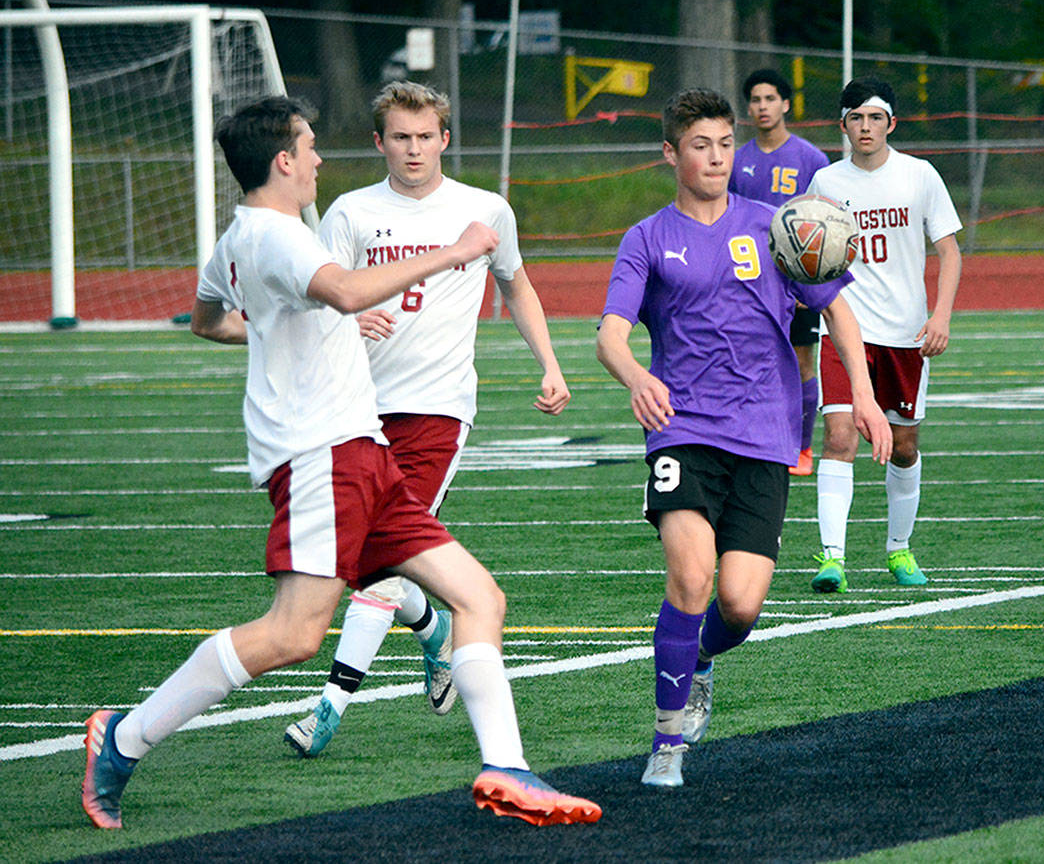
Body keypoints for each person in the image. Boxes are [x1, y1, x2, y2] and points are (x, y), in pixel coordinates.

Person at [80, 96, 600, 829]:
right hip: (322, 453)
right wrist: (453, 252)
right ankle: (124, 738)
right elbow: (347, 290)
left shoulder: (247, 237)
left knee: (479, 599)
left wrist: (281, 321)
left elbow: (205, 319)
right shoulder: (281, 239)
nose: (321, 159)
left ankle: (506, 768)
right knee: (293, 635)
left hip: (364, 450)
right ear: (284, 160)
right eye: (310, 146)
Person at [595, 88, 891, 789]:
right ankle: (667, 742)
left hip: (764, 435)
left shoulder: (779, 226)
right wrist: (637, 374)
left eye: (725, 145)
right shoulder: (647, 237)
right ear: (672, 153)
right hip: (682, 432)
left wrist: (866, 398)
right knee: (691, 578)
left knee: (740, 604)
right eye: (701, 146)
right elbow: (610, 335)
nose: (717, 157)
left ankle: (697, 660)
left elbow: (840, 313)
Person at [283, 81, 572, 758]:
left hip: (437, 411)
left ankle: (329, 706)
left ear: (445, 139)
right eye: (400, 137)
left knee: (383, 566)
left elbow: (517, 283)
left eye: (425, 136)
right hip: (354, 409)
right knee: (368, 561)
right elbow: (320, 300)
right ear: (379, 141)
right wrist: (350, 317)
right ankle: (436, 634)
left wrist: (549, 363)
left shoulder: (483, 210)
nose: (413, 149)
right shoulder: (350, 213)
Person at [806, 77, 962, 593]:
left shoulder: (920, 176)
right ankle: (832, 559)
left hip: (905, 333)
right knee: (840, 437)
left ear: (891, 123)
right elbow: (804, 249)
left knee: (902, 446)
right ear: (843, 125)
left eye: (875, 117)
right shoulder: (826, 183)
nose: (865, 127)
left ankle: (898, 549)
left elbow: (950, 252)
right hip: (844, 332)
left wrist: (939, 317)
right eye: (856, 118)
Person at [728, 69, 831, 477]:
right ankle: (746, 442)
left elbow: (825, 223)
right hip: (751, 279)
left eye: (770, 98)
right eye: (755, 100)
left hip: (798, 278)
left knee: (803, 361)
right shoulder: (739, 160)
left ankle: (801, 447)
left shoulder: (811, 159)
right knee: (748, 360)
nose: (762, 107)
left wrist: (812, 280)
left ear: (785, 104)